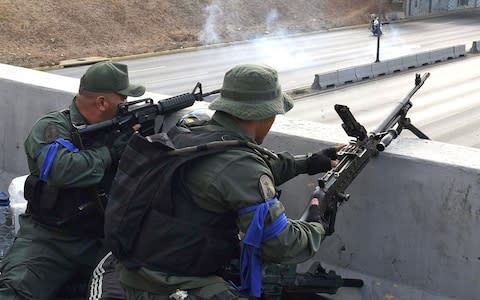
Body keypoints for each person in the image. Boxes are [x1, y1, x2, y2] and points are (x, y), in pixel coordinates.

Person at [104, 63, 340, 300]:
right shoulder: (238, 164)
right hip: (172, 286)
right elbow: (282, 245)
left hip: (136, 271)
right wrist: (315, 222)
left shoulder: (193, 133)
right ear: (266, 114)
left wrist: (310, 162)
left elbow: (236, 173)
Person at [0, 61, 146, 300]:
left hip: (102, 242)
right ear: (102, 103)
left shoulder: (118, 130)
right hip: (50, 240)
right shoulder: (54, 127)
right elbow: (62, 170)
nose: (126, 106)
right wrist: (110, 152)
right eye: (123, 101)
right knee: (15, 292)